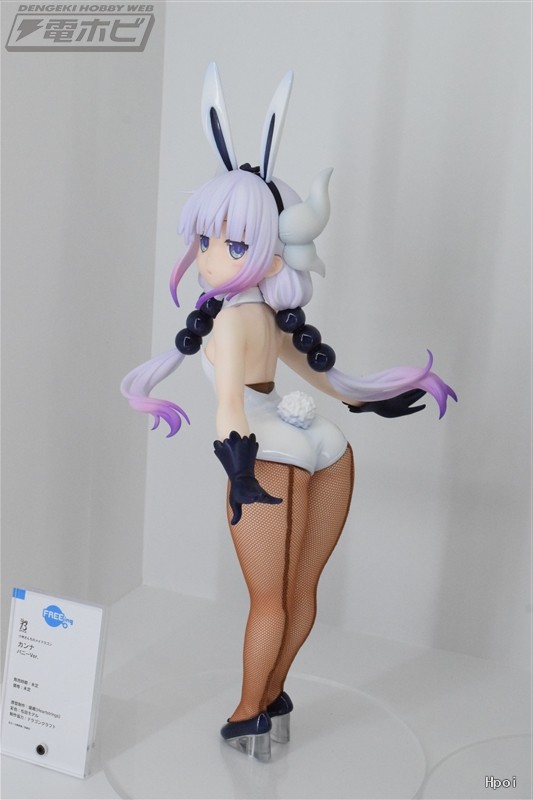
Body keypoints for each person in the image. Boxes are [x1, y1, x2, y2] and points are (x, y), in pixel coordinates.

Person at [121, 64, 456, 761]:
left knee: (268, 602)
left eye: (233, 244)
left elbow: (228, 405)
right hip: (323, 444)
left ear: (270, 254)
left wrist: (238, 469)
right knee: (300, 592)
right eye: (206, 241)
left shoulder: (230, 320)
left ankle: (248, 713)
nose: (210, 257)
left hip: (265, 450)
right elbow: (327, 378)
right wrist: (374, 399)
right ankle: (273, 698)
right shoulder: (272, 318)